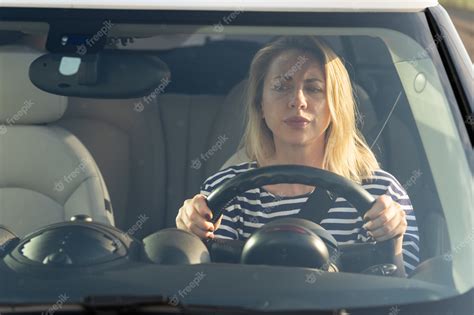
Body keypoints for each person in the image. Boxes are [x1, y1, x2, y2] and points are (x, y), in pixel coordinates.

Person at [176, 36, 419, 276]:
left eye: (314, 88)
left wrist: (393, 238)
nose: (298, 101)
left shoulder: (380, 194)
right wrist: (191, 233)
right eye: (281, 87)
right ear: (260, 105)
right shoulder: (223, 191)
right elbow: (207, 284)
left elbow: (398, 297)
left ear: (335, 104)